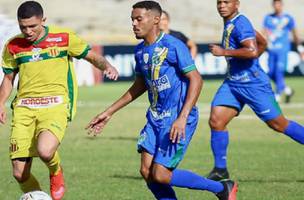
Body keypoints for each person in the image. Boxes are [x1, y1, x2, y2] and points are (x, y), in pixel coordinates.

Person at [87, 1, 237, 200]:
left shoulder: (173, 46)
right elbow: (140, 85)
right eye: (132, 19)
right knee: (146, 171)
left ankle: (221, 188)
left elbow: (196, 79)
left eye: (139, 19)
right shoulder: (140, 51)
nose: (134, 23)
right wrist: (109, 112)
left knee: (161, 174)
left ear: (155, 19)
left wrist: (182, 118)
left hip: (177, 118)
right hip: (155, 118)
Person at [0, 1, 118, 200]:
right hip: (24, 109)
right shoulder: (13, 45)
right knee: (20, 174)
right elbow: (9, 78)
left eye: (32, 26)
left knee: (45, 151)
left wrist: (106, 66)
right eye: (23, 27)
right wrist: (1, 102)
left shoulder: (63, 38)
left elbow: (91, 56)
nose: (27, 31)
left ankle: (55, 171)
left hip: (55, 104)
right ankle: (37, 196)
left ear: (43, 20)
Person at [206, 0, 304, 181]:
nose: (221, 6)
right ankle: (220, 170)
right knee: (216, 120)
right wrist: (250, 58)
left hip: (253, 84)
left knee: (279, 124)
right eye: (219, 2)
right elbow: (263, 42)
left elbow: (251, 50)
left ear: (237, 4)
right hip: (233, 83)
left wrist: (224, 52)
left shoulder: (240, 22)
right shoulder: (232, 22)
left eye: (226, 2)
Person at [262, 0, 301, 103]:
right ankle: (288, 90)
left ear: (282, 5)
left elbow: (295, 34)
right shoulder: (268, 18)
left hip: (282, 50)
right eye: (275, 4)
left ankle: (277, 95)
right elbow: (264, 32)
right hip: (271, 50)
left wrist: (300, 48)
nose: (276, 6)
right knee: (270, 73)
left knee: (279, 71)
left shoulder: (288, 18)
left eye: (278, 4)